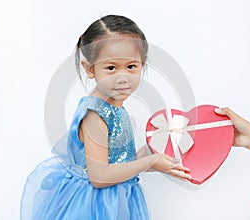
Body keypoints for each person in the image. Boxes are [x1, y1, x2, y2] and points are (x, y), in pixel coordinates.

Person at [20, 15, 191, 220]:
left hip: (118, 200)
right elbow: (99, 176)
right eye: (111, 68)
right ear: (90, 69)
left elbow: (120, 162)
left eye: (131, 67)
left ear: (142, 64)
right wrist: (150, 162)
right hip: (97, 207)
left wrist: (151, 149)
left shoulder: (114, 106)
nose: (123, 77)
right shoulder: (95, 115)